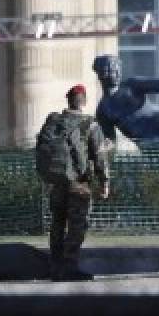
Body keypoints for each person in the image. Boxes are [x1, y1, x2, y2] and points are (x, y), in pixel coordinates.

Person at [42, 84, 111, 282]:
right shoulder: (90, 124)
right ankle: (69, 267)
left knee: (57, 223)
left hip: (56, 183)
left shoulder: (54, 121)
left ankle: (55, 267)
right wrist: (104, 181)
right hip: (79, 184)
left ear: (68, 100)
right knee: (76, 226)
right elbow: (99, 156)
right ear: (84, 101)